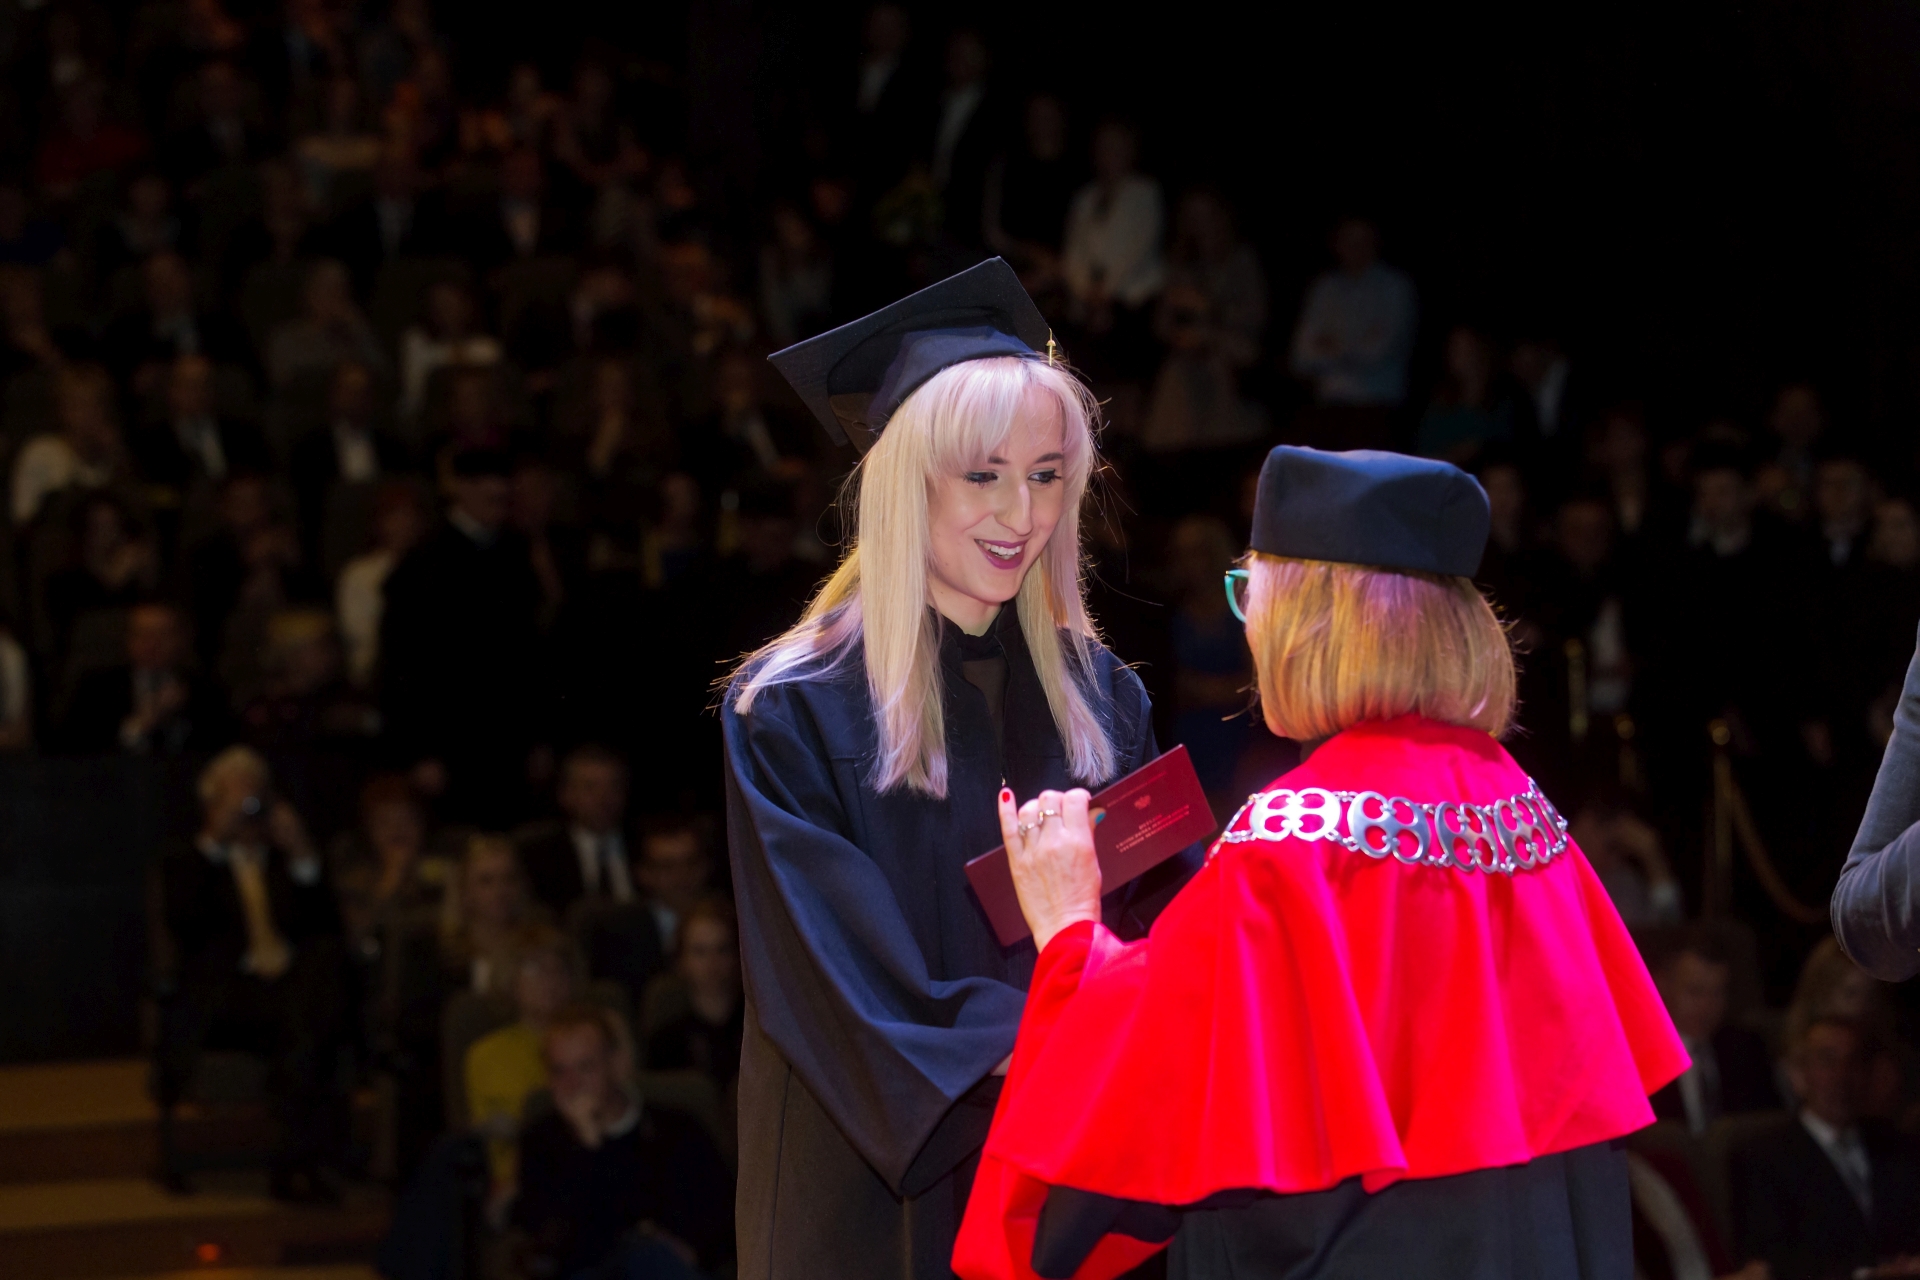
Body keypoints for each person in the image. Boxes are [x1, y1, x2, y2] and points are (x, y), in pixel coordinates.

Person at [956, 446, 1688, 1279]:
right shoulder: (1521, 810)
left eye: (1252, 594)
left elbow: (1152, 1092)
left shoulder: (1296, 836)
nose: (1249, 626)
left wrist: (1069, 931)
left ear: (1310, 621)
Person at [728, 259, 1196, 1279]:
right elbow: (839, 980)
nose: (1021, 514)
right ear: (906, 482)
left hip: (1068, 1185)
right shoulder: (795, 707)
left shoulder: (1102, 698)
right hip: (869, 1197)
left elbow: (1168, 931)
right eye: (982, 475)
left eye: (1045, 475)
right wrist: (1073, 1031)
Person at [156, 746, 349, 1200]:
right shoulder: (189, 860)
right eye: (236, 801)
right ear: (211, 806)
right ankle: (297, 1163)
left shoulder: (284, 861)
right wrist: (215, 840)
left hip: (291, 992)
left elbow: (326, 927)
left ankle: (293, 1162)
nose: (249, 812)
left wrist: (303, 854)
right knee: (312, 1021)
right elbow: (184, 923)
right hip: (228, 998)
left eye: (256, 799)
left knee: (320, 979)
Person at [513, 1005, 735, 1278]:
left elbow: (724, 1216)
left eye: (585, 1067)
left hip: (666, 1269)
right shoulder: (540, 1141)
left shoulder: (675, 1130)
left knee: (650, 1255)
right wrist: (588, 1145)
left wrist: (693, 1250)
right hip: (586, 1272)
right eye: (559, 1071)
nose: (572, 1084)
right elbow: (550, 1240)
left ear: (616, 1064)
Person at [1728, 1017, 1920, 1280]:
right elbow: (1768, 1260)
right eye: (1827, 1061)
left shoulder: (1895, 1145)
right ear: (1798, 1076)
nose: (1842, 1075)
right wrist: (1866, 1274)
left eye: (1853, 1062)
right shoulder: (1763, 1157)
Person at [465, 927, 580, 1197]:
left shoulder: (593, 1043)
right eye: (535, 968)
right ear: (511, 981)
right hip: (521, 1185)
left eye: (559, 969)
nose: (550, 979)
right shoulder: (487, 1054)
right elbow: (497, 1143)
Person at [1287, 218, 1417, 449]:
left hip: (1378, 409)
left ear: (1376, 242)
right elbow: (1302, 356)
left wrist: (1330, 345)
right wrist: (1357, 343)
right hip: (1329, 408)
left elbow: (1376, 352)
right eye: (1348, 240)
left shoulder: (1394, 287)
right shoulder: (1324, 289)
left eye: (1363, 240)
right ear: (1335, 244)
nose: (1355, 248)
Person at [1646, 928, 1779, 1132]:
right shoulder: (1640, 1058)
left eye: (1717, 993)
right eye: (1695, 992)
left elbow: (1767, 1125)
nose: (1707, 1006)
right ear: (1663, 985)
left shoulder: (1746, 1050)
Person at [517, 745, 640, 918]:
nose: (604, 798)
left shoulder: (643, 846)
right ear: (565, 794)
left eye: (614, 786)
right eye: (590, 787)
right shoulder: (538, 854)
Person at [645, 896, 745, 1092]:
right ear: (681, 960)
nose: (712, 963)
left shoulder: (760, 1031)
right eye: (700, 951)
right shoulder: (666, 1043)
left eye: (722, 949)